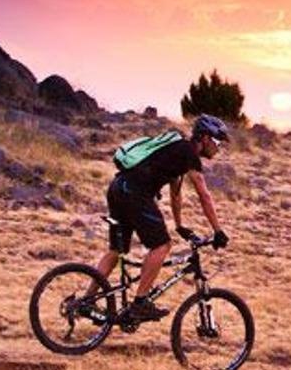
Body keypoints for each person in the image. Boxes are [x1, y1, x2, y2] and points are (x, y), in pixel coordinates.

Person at [92, 115, 230, 321]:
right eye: (217, 142)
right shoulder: (188, 153)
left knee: (116, 250)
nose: (218, 148)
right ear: (205, 138)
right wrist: (218, 231)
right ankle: (140, 303)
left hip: (118, 187)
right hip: (134, 192)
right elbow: (204, 194)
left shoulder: (176, 151)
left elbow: (176, 193)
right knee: (162, 246)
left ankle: (86, 302)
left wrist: (180, 225)